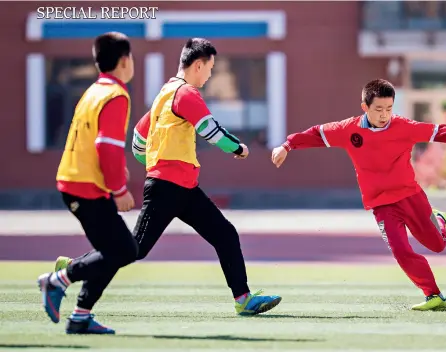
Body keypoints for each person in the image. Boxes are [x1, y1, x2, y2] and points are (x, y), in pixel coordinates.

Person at [56, 38, 282, 316]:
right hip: (167, 188)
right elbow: (210, 130)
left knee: (225, 234)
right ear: (198, 65)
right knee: (133, 249)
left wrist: (151, 161)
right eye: (210, 68)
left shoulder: (164, 94)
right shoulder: (187, 93)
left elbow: (139, 140)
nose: (210, 75)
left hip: (183, 188)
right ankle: (70, 270)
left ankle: (243, 298)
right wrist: (239, 148)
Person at [271, 78, 446, 311]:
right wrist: (287, 145)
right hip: (381, 205)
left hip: (411, 196)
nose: (384, 114)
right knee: (401, 251)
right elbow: (317, 134)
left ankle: (438, 220)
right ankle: (434, 295)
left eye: (389, 108)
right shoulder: (349, 129)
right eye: (378, 109)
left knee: (437, 245)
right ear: (364, 107)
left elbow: (438, 132)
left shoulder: (404, 127)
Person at [38, 32, 138, 334]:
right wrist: (119, 189)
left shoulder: (94, 90)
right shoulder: (116, 95)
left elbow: (93, 141)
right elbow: (106, 146)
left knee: (110, 252)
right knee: (124, 251)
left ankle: (80, 316)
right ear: (124, 60)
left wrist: (116, 175)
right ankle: (57, 280)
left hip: (76, 181)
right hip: (86, 186)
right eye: (131, 57)